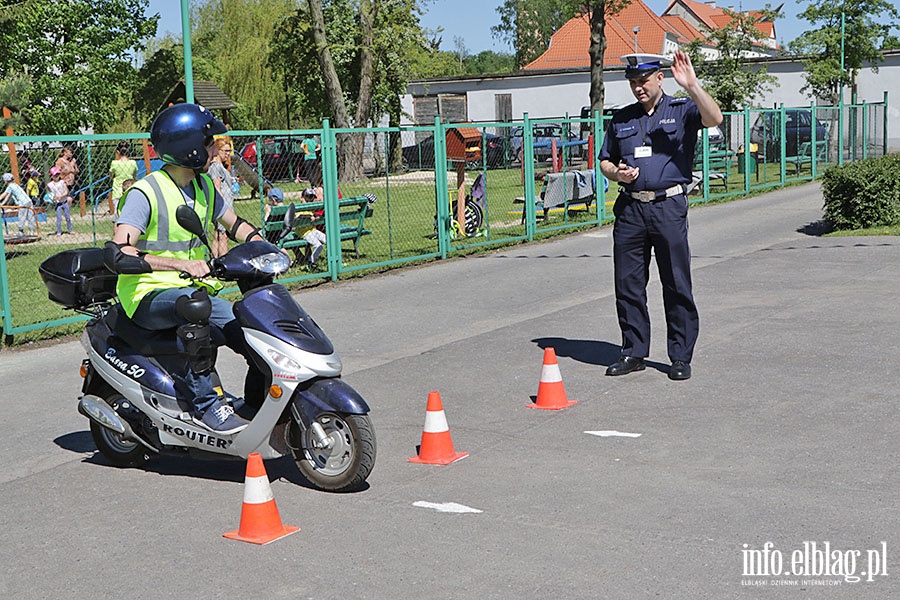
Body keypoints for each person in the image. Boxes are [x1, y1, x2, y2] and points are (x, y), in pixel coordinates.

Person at [109, 103, 268, 434]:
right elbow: (121, 252)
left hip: (194, 292)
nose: (215, 148)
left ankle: (256, 402)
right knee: (195, 308)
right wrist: (181, 264)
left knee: (250, 325)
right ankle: (205, 406)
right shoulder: (145, 192)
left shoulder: (204, 187)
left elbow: (235, 223)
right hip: (146, 294)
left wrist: (263, 245)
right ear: (190, 147)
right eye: (210, 142)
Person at [598, 51, 723, 381]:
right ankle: (634, 351)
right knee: (628, 284)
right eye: (633, 82)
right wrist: (617, 174)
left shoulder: (681, 110)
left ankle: (680, 355)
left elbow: (715, 118)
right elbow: (605, 161)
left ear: (659, 79)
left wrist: (692, 85)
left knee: (676, 282)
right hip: (630, 209)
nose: (638, 87)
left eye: (643, 81)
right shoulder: (622, 118)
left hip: (667, 207)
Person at [207, 138, 235, 257]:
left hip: (226, 205)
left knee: (218, 235)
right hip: (223, 206)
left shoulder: (220, 166)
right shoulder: (215, 167)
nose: (228, 154)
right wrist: (222, 206)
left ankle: (215, 261)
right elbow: (217, 187)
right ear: (217, 150)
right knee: (223, 236)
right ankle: (223, 262)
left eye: (229, 151)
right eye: (225, 151)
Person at [0, 173, 35, 237]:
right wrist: (2, 204)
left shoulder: (10, 186)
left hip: (23, 203)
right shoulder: (15, 185)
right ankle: (31, 231)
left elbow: (4, 194)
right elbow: (7, 196)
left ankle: (21, 231)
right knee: (30, 217)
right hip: (29, 201)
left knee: (21, 217)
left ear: (6, 181)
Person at [109, 142, 137, 218]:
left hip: (117, 190)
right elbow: (134, 176)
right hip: (130, 189)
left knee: (117, 214)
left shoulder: (114, 163)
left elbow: (111, 175)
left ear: (118, 152)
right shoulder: (133, 163)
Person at [46, 166, 73, 236]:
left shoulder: (62, 182)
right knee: (59, 218)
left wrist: (60, 196)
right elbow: (50, 194)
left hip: (64, 202)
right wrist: (52, 198)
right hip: (58, 204)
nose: (56, 176)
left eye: (58, 174)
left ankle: (70, 230)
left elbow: (66, 192)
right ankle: (58, 232)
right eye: (55, 175)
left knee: (67, 217)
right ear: (51, 176)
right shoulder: (50, 185)